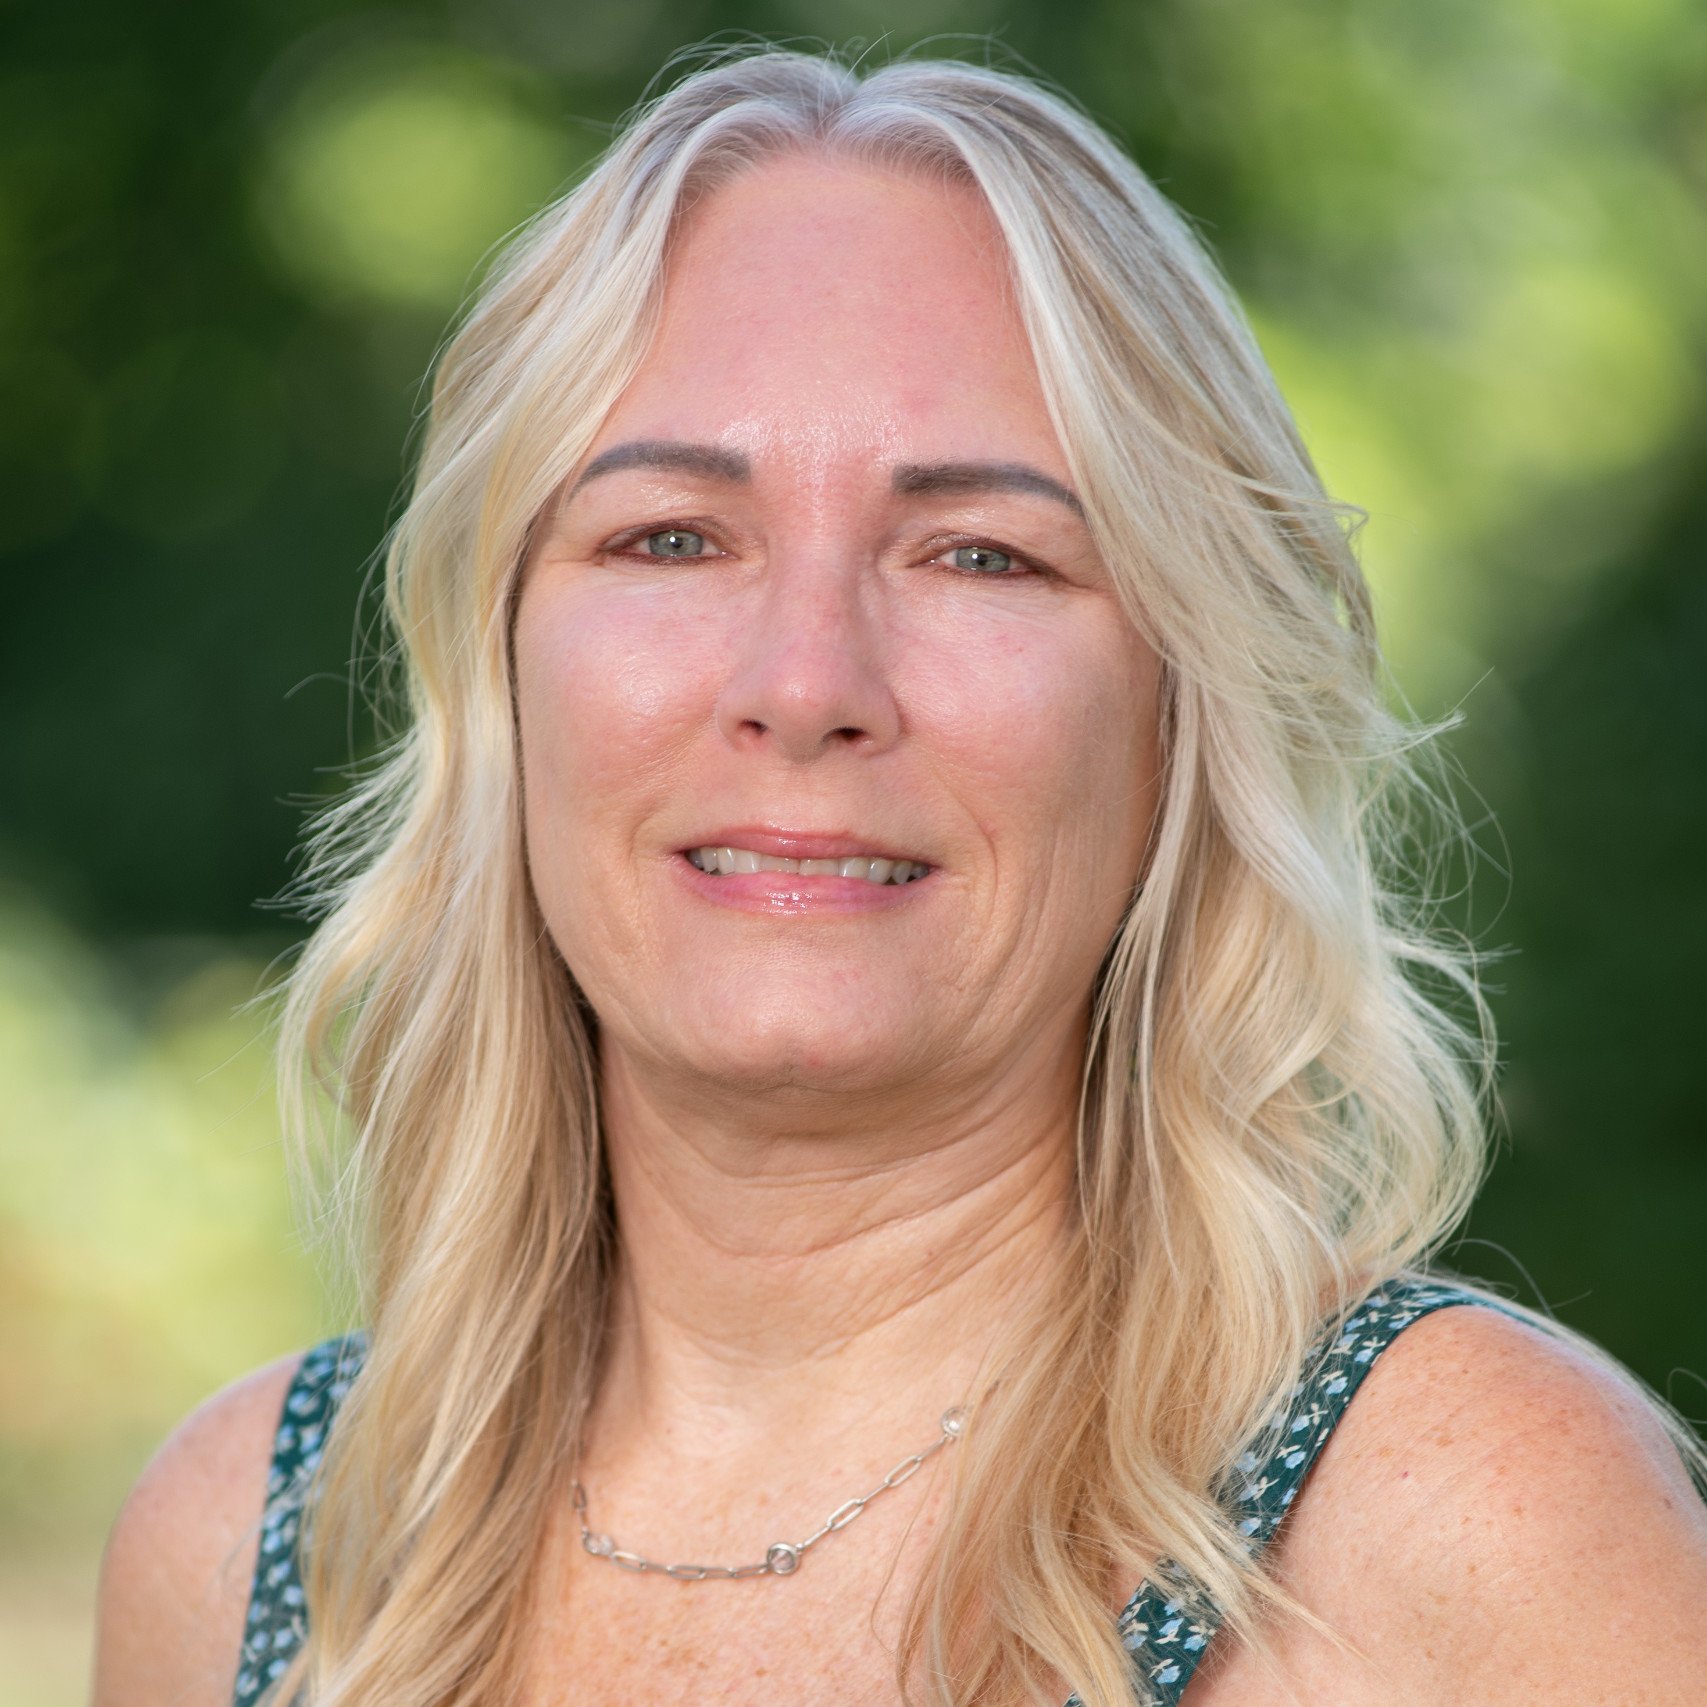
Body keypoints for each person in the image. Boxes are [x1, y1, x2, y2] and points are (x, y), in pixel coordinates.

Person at [92, 44, 1707, 1707]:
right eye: (669, 536)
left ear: (1180, 712)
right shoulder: (254, 1551)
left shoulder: (1464, 1527)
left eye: (981, 555)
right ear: (499, 672)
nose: (805, 683)